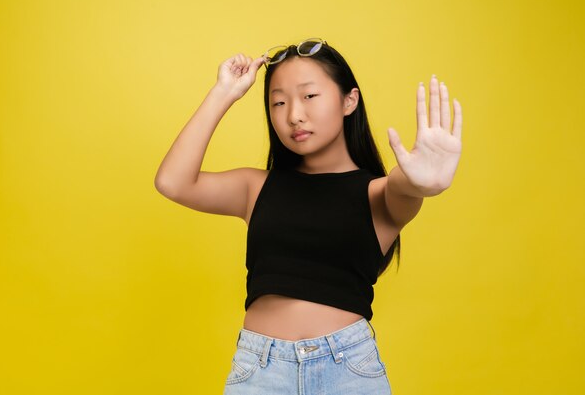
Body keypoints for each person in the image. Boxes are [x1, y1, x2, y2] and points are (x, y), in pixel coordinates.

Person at [154, 38, 463, 394]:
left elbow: (404, 186)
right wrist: (224, 92)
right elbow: (173, 182)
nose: (293, 115)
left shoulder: (378, 194)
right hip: (259, 370)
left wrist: (424, 181)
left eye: (309, 96)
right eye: (278, 102)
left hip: (347, 370)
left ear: (350, 100)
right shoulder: (255, 188)